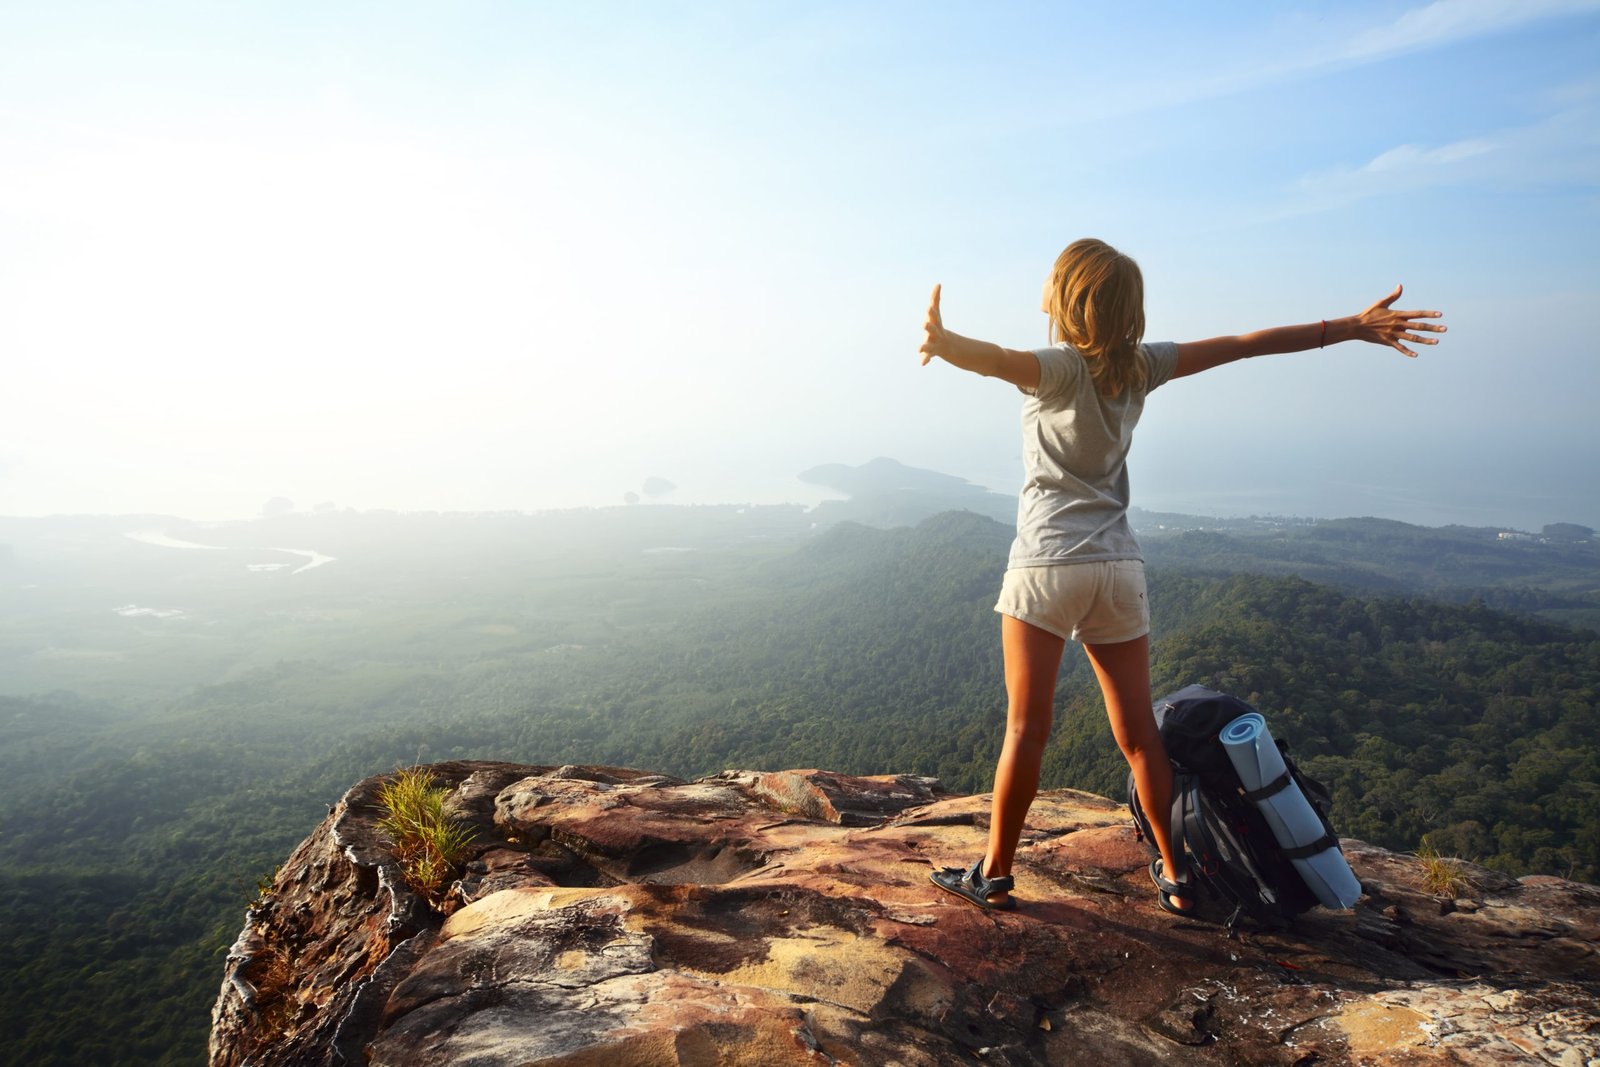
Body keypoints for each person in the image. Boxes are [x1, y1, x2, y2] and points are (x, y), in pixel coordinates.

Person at [919, 238, 1445, 913]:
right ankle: (1176, 874)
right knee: (1140, 734)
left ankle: (993, 872)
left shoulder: (1057, 367)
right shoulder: (1143, 366)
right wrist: (1348, 328)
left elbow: (995, 361)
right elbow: (1244, 343)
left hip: (1048, 562)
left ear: (1068, 301)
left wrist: (946, 340)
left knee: (1027, 729)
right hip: (1117, 567)